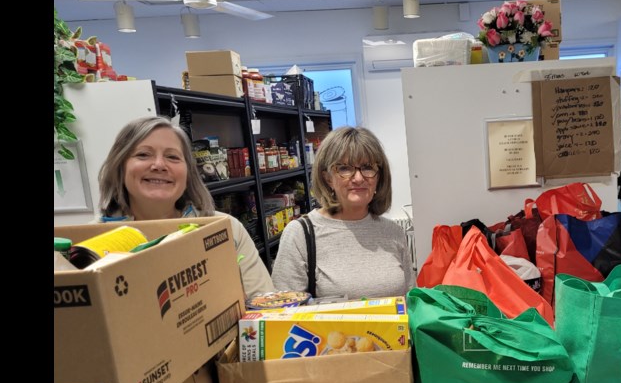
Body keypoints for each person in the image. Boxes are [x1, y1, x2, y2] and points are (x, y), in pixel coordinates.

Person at [97, 116, 274, 297]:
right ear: (120, 166)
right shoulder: (91, 241)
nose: (159, 165)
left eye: (172, 157)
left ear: (188, 173)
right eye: (143, 154)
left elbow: (266, 306)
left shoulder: (226, 228)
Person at [270, 126, 415, 300]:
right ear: (328, 178)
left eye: (368, 167)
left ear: (379, 177)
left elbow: (411, 301)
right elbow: (284, 315)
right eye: (345, 168)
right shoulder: (300, 234)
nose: (359, 178)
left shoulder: (393, 232)